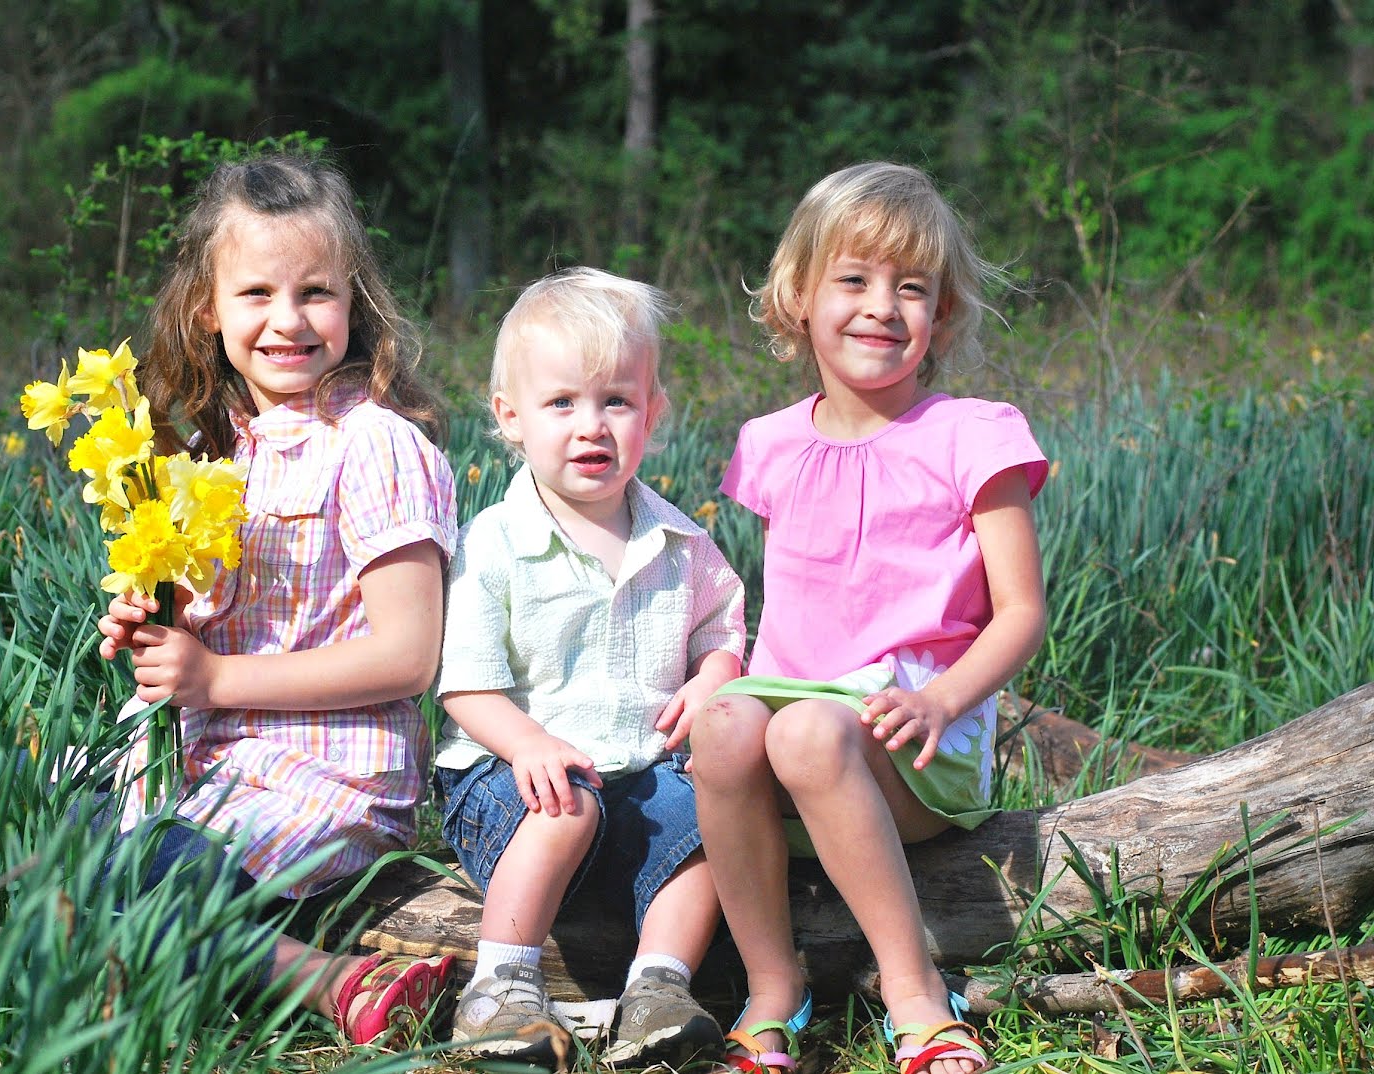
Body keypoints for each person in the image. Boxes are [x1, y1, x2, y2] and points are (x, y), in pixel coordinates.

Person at [690, 162, 1048, 1074]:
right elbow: (785, 611)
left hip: (917, 738)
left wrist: (943, 702)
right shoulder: (769, 444)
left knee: (809, 732)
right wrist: (723, 669)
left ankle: (917, 996)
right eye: (853, 279)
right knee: (726, 723)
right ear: (800, 295)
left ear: (943, 314)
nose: (881, 306)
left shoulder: (974, 433)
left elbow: (1020, 615)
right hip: (794, 726)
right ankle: (774, 989)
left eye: (911, 288)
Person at [93, 154, 456, 1045]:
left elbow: (409, 657)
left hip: (323, 776)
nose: (287, 322)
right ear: (207, 309)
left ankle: (333, 983)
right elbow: (208, 627)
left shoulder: (374, 445)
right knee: (32, 828)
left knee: (136, 871)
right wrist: (150, 626)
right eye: (256, 293)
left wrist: (212, 676)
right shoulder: (215, 452)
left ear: (355, 303)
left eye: (316, 293)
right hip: (203, 763)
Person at [433, 268, 746, 1068]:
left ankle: (658, 992)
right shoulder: (494, 543)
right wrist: (528, 743)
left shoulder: (682, 544)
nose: (591, 426)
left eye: (617, 401)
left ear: (655, 412)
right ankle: (500, 989)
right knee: (564, 805)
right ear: (510, 417)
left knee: (714, 820)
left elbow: (722, 631)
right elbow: (466, 682)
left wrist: (710, 677)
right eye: (562, 403)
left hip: (642, 777)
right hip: (514, 782)